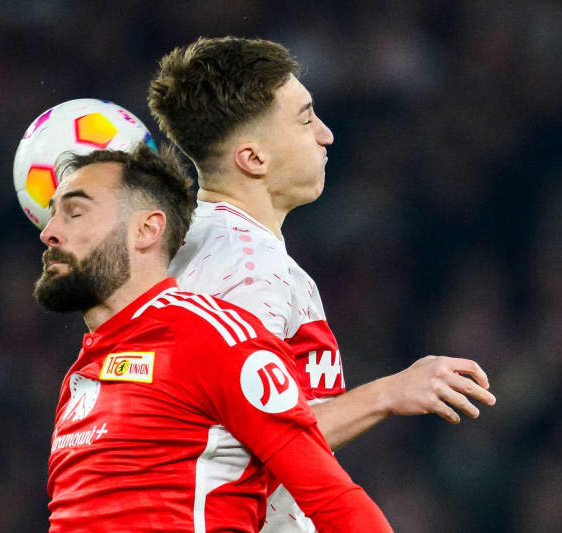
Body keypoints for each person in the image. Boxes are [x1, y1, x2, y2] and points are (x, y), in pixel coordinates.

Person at [147, 36, 497, 532]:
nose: (327, 135)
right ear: (253, 159)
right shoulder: (247, 266)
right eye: (306, 119)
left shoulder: (197, 245)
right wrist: (390, 392)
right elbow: (242, 444)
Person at [35, 144, 393, 532]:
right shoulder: (80, 377)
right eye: (53, 215)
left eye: (74, 212)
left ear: (146, 230)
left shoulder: (214, 339)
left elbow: (333, 498)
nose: (49, 232)